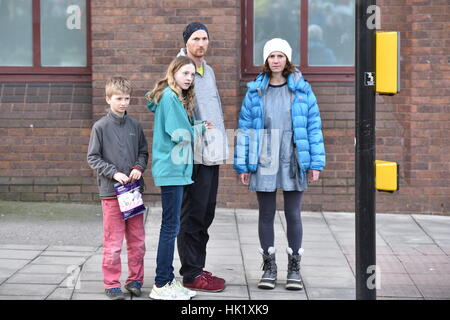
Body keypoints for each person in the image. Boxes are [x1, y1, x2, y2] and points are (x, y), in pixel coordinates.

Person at [234, 38, 326, 291]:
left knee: (293, 213)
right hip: (264, 158)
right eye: (271, 56)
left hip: (293, 158)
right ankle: (269, 267)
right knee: (266, 213)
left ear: (287, 60)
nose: (276, 60)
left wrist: (315, 163)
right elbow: (245, 130)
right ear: (266, 61)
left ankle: (294, 267)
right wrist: (242, 165)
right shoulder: (255, 92)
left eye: (280, 56)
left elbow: (313, 128)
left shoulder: (303, 90)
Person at [145, 56, 210, 300]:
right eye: (185, 73)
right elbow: (178, 134)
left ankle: (168, 280)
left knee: (172, 226)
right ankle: (161, 284)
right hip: (171, 170)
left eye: (192, 75)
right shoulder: (171, 98)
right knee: (170, 227)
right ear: (173, 73)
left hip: (176, 170)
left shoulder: (173, 97)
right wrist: (202, 127)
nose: (189, 78)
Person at [176, 22, 227, 292]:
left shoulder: (209, 71)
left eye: (205, 38)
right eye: (196, 38)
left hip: (212, 153)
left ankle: (197, 266)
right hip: (193, 154)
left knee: (206, 213)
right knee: (193, 214)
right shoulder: (181, 71)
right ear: (186, 42)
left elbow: (214, 111)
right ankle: (191, 274)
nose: (201, 43)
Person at [87, 76, 149, 300]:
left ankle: (135, 280)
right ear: (108, 99)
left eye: (127, 98)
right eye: (119, 98)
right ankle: (111, 282)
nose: (123, 103)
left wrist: (138, 167)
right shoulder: (100, 127)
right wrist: (114, 172)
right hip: (111, 194)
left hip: (133, 193)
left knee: (138, 242)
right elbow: (92, 157)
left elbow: (143, 152)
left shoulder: (135, 126)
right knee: (113, 243)